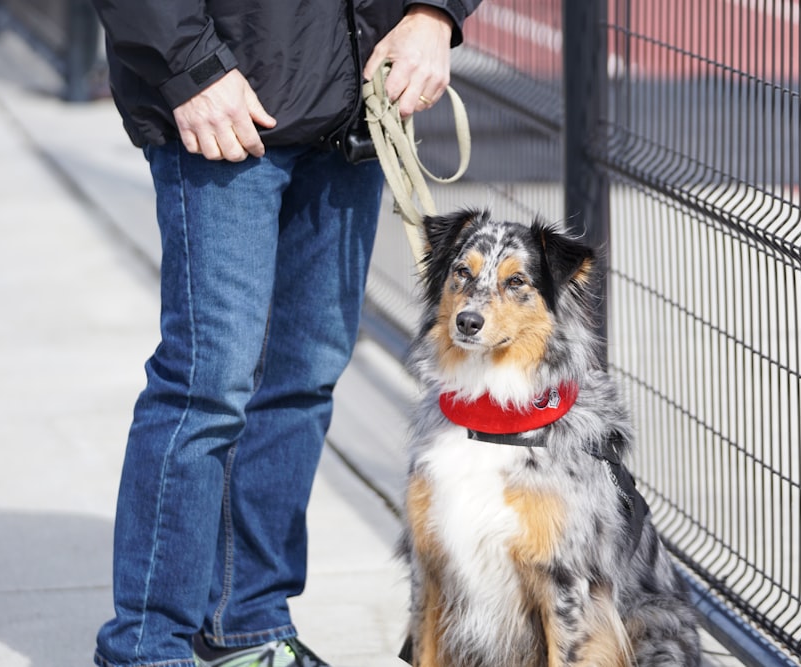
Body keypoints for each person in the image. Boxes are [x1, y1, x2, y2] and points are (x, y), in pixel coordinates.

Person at [88, 1, 481, 666]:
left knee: (303, 379)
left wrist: (432, 13)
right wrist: (187, 66)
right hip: (224, 98)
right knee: (207, 384)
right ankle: (145, 648)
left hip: (355, 99)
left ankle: (247, 623)